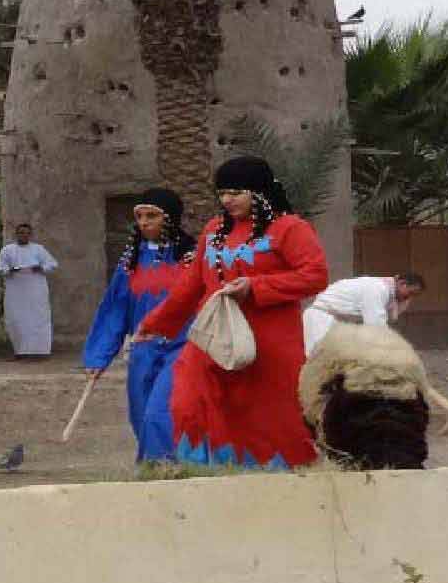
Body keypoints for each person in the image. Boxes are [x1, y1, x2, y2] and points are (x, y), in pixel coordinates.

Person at [135, 156, 330, 469]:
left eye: (236, 192)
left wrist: (256, 287)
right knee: (190, 400)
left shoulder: (290, 229)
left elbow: (315, 275)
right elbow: (191, 284)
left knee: (267, 415)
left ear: (259, 192)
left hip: (269, 346)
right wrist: (154, 322)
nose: (227, 200)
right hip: (213, 339)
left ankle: (276, 483)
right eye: (222, 193)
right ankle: (208, 475)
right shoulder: (214, 230)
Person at [82, 188, 197, 461]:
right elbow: (114, 310)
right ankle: (157, 468)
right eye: (140, 216)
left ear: (169, 218)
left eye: (152, 216)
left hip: (182, 348)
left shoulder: (191, 259)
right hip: (142, 350)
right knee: (142, 413)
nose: (144, 222)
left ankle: (163, 468)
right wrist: (98, 357)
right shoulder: (131, 262)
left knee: (161, 410)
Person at [303, 272, 426, 354]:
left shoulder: (382, 289)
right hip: (321, 321)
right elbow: (376, 327)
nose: (409, 298)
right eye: (410, 293)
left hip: (333, 322)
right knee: (317, 363)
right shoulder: (377, 288)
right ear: (402, 284)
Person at [0, 223, 59, 359]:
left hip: (36, 290)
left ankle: (40, 353)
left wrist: (41, 268)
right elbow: (1, 269)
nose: (23, 235)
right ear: (16, 234)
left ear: (30, 235)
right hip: (16, 290)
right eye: (21, 233)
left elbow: (53, 264)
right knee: (16, 319)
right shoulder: (7, 250)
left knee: (38, 319)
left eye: (26, 233)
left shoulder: (39, 249)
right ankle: (19, 352)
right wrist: (12, 270)